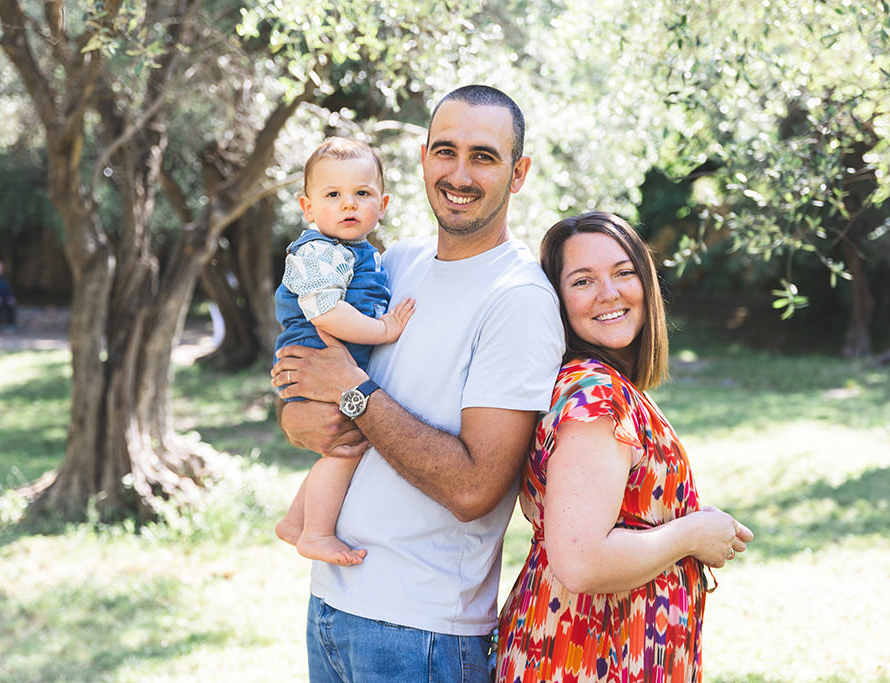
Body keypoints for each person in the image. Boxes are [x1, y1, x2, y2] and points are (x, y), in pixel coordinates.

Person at [270, 85, 566, 681]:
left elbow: (475, 489)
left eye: (483, 156)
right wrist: (298, 416)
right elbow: (309, 394)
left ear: (519, 172)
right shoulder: (389, 263)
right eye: (445, 151)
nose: (459, 173)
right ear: (423, 158)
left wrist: (353, 393)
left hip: (423, 632)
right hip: (332, 604)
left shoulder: (519, 300)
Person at [496, 212, 755, 683]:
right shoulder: (595, 394)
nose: (608, 293)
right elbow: (581, 561)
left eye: (623, 272)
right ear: (557, 301)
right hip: (589, 656)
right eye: (582, 281)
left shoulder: (606, 387)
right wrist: (692, 534)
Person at [272, 137, 415, 565]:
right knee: (345, 450)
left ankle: (296, 521)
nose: (348, 204)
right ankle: (315, 533)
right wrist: (383, 329)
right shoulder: (318, 251)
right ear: (308, 208)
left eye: (362, 194)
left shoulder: (358, 252)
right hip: (316, 356)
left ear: (382, 204)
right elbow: (325, 311)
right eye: (333, 195)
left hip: (332, 362)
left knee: (341, 449)